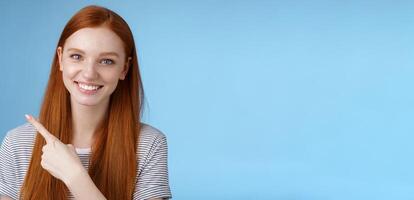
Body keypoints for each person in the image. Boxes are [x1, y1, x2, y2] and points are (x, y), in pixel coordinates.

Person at [0, 5, 172, 200]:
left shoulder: (148, 144)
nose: (89, 73)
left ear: (124, 69)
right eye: (77, 57)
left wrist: (75, 176)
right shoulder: (18, 143)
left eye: (106, 61)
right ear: (60, 59)